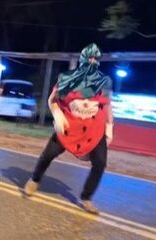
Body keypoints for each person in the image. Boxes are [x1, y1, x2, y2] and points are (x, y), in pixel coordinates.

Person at [23, 43, 114, 215]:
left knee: (100, 162)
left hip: (94, 130)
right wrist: (58, 115)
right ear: (83, 59)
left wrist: (110, 127)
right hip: (69, 126)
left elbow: (108, 106)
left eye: (96, 58)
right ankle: (34, 179)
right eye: (90, 58)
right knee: (48, 154)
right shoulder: (66, 78)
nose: (93, 61)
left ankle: (86, 197)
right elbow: (52, 100)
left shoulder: (104, 82)